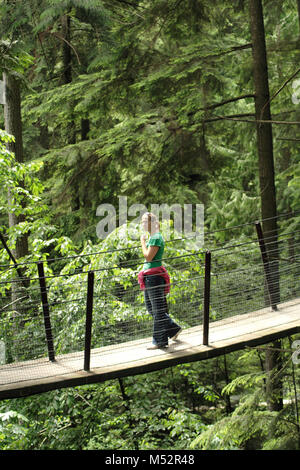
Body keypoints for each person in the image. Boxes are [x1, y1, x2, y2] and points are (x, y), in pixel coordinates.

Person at [138, 212, 182, 350]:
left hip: (154, 278)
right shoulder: (153, 237)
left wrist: (142, 243)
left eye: (145, 221)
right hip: (149, 277)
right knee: (152, 308)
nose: (143, 224)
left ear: (152, 223)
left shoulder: (156, 237)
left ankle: (160, 341)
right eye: (142, 221)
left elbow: (148, 257)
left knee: (157, 310)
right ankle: (173, 329)